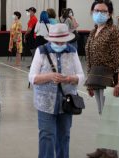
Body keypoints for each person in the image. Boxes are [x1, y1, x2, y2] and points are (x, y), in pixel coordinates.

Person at [29, 23, 84, 158]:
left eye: (62, 41)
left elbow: (81, 76)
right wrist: (49, 76)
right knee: (47, 136)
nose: (60, 44)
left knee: (64, 135)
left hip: (67, 102)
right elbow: (32, 78)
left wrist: (69, 78)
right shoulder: (41, 51)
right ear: (50, 39)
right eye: (56, 41)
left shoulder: (72, 51)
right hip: (45, 103)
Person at [85, 0, 119, 158]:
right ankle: (103, 148)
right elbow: (89, 58)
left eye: (103, 11)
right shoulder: (93, 31)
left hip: (110, 79)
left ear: (109, 14)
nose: (99, 13)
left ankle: (111, 152)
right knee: (103, 114)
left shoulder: (113, 31)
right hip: (96, 78)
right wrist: (89, 82)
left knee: (110, 116)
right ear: (92, 12)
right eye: (96, 10)